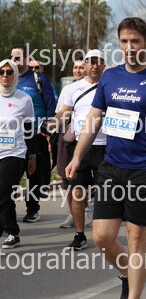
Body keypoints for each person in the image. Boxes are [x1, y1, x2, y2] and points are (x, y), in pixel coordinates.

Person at [65, 17, 146, 299]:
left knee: (136, 239)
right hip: (112, 167)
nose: (129, 47)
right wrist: (77, 157)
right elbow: (93, 120)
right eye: (124, 41)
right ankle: (126, 272)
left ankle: (133, 295)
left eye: (135, 41)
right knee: (102, 237)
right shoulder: (110, 77)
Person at [53, 49, 107, 250]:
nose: (94, 66)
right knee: (77, 191)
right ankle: (79, 235)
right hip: (80, 148)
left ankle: (103, 234)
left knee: (105, 193)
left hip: (106, 146)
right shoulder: (72, 89)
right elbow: (64, 112)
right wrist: (51, 124)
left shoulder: (110, 86)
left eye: (98, 62)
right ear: (84, 65)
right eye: (90, 62)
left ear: (104, 65)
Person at [11, 45, 57, 223]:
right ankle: (7, 212)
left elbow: (50, 105)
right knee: (11, 173)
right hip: (12, 135)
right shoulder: (8, 77)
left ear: (26, 59)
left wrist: (47, 128)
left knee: (34, 174)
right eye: (12, 57)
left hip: (35, 134)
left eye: (17, 57)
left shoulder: (38, 79)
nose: (14, 61)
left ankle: (32, 209)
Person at [0, 59, 35, 249]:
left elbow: (29, 130)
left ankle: (13, 232)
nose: (5, 75)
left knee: (4, 191)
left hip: (14, 153)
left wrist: (32, 156)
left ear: (14, 74)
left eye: (9, 72)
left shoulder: (24, 99)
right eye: (2, 72)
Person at [56, 59, 87, 229]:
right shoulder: (68, 89)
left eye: (81, 67)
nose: (78, 70)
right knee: (68, 177)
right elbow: (61, 113)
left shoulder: (98, 88)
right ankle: (73, 214)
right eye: (75, 67)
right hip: (69, 138)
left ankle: (90, 209)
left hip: (93, 139)